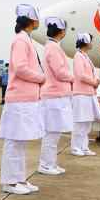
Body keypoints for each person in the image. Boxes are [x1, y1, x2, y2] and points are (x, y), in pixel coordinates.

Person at [0, 4, 46, 196]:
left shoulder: (25, 39)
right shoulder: (21, 41)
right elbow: (20, 68)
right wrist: (41, 78)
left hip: (26, 99)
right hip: (19, 98)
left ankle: (19, 179)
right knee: (14, 141)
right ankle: (9, 181)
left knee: (21, 142)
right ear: (32, 21)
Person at [38, 16, 74, 175]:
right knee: (51, 132)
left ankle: (50, 163)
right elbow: (60, 72)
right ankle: (46, 164)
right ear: (62, 31)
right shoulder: (53, 48)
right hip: (54, 95)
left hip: (56, 94)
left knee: (55, 132)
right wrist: (72, 77)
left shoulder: (53, 46)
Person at [71, 33, 100, 156]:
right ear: (86, 42)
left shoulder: (85, 56)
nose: (92, 43)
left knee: (87, 122)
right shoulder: (78, 56)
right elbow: (80, 75)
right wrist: (94, 81)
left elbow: (91, 73)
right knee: (79, 121)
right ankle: (75, 147)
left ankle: (83, 147)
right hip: (81, 94)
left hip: (89, 93)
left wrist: (96, 80)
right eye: (91, 41)